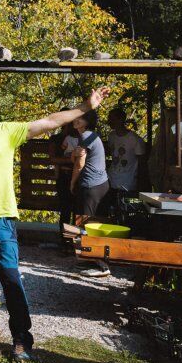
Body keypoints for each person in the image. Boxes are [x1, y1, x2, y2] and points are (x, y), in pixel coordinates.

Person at [0, 84, 110, 362]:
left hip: (2, 217)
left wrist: (86, 107)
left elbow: (50, 121)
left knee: (9, 278)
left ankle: (21, 339)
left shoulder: (8, 130)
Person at [68, 110, 111, 277]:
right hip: (100, 184)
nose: (76, 119)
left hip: (91, 185)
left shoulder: (86, 135)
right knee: (91, 223)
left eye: (80, 117)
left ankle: (102, 266)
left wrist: (72, 182)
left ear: (86, 121)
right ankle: (92, 260)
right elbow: (76, 157)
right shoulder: (88, 136)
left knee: (87, 224)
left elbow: (78, 164)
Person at [105, 106, 146, 210]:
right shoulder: (111, 136)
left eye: (112, 118)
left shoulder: (134, 139)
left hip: (127, 183)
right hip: (111, 180)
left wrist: (140, 184)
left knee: (124, 211)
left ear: (120, 120)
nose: (109, 121)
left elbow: (142, 163)